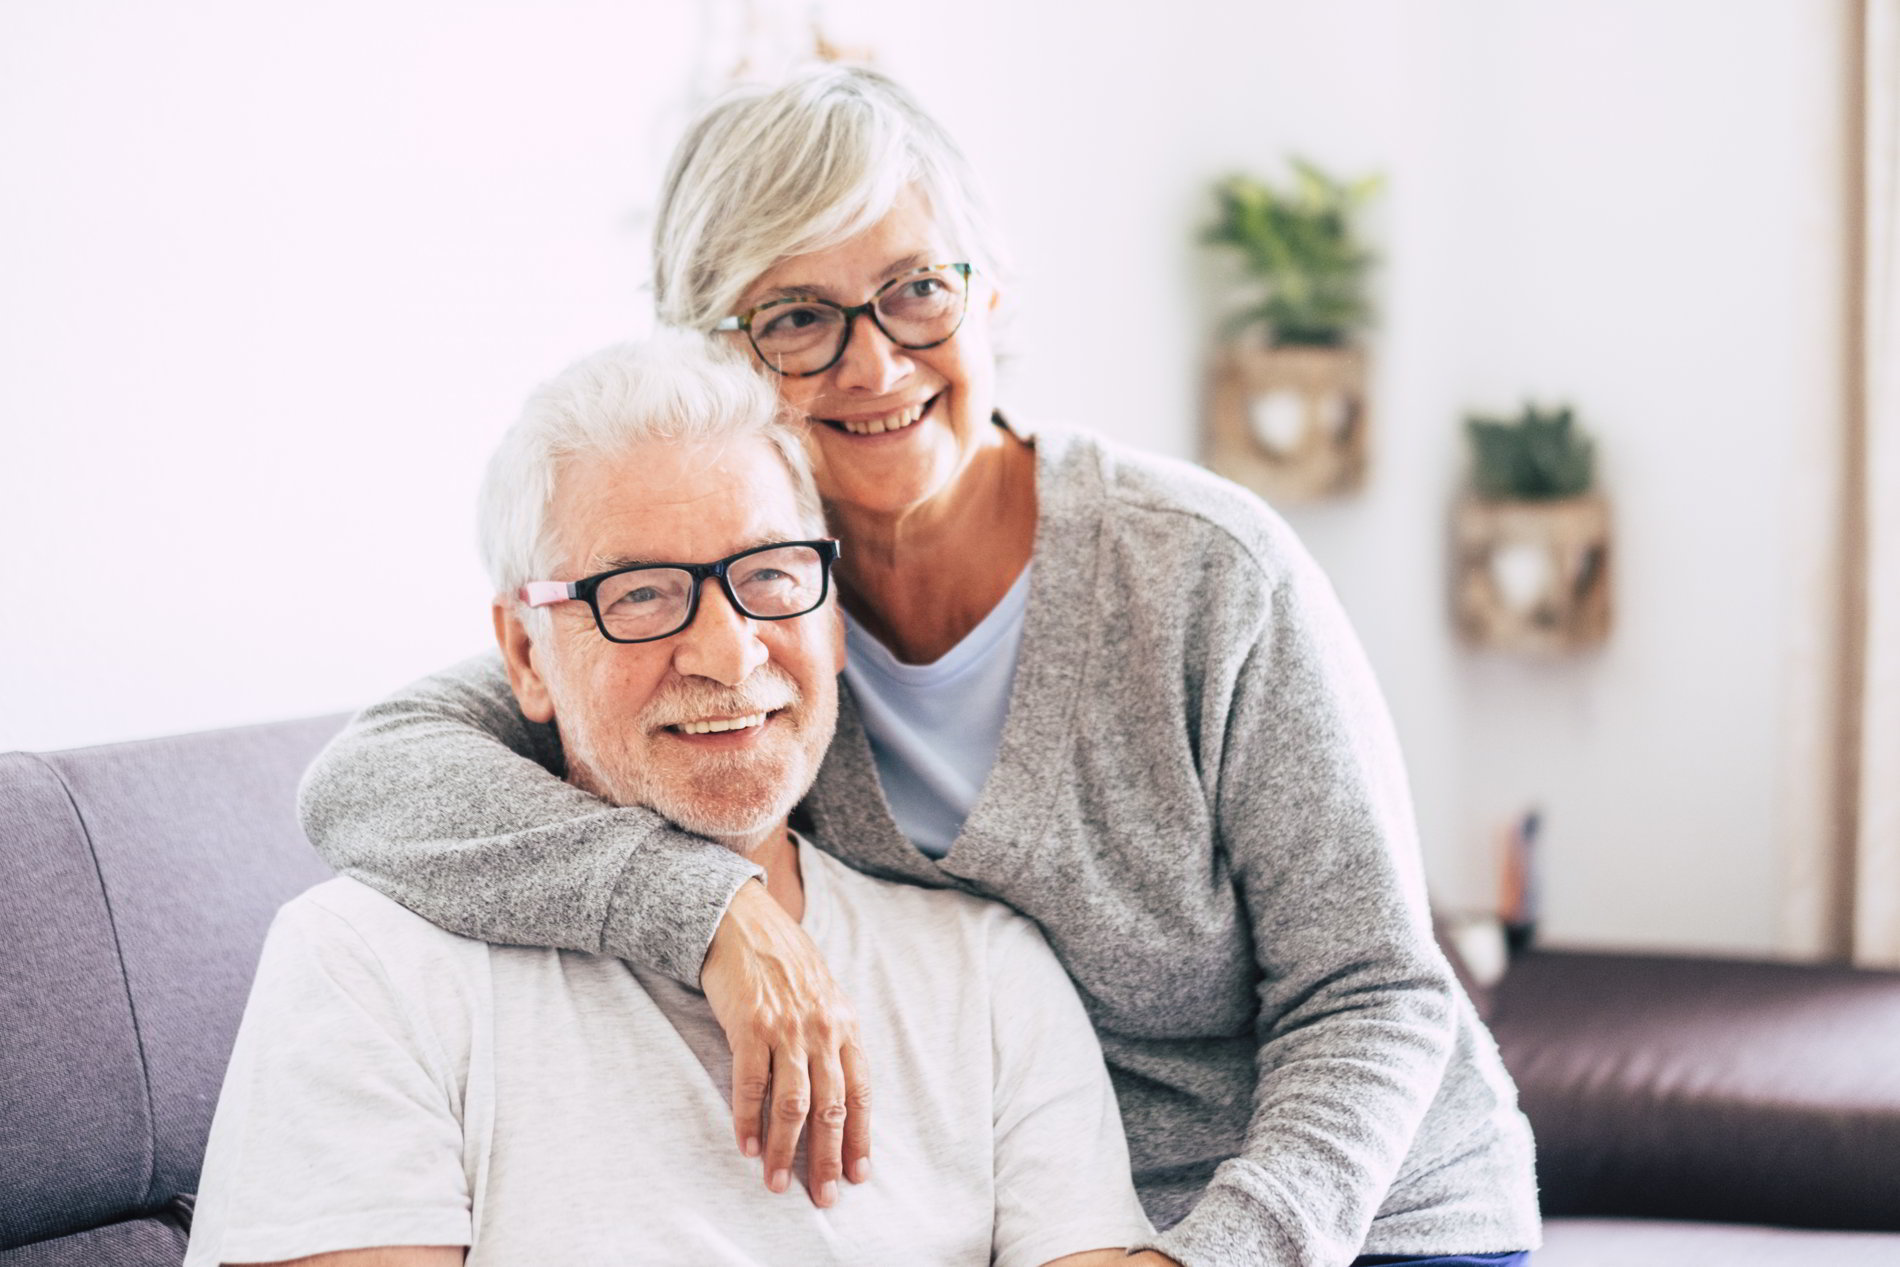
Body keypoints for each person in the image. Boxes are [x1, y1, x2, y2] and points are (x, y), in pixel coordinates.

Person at [298, 68, 1541, 1267]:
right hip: (1028, 1222)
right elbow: (371, 779)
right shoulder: (741, 622)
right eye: (795, 317)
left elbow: (1375, 991)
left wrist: (1211, 1257)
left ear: (988, 295)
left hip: (1351, 1219)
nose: (875, 362)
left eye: (915, 290)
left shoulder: (1204, 573)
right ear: (717, 358)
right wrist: (715, 911)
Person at [184, 335, 1158, 1267]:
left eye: (772, 574)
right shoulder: (368, 963)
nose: (729, 652)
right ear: (526, 654)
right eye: (642, 594)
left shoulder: (987, 971)